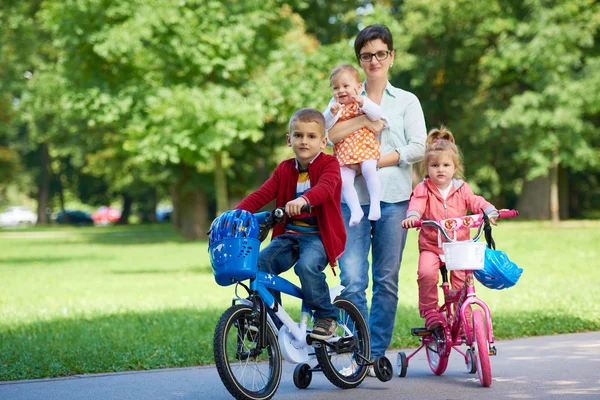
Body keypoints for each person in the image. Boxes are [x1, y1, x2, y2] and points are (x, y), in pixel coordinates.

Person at [327, 24, 427, 372]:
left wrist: (373, 161)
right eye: (367, 55)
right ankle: (358, 349)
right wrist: (364, 125)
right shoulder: (343, 93)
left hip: (394, 199)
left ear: (391, 56)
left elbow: (418, 147)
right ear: (360, 60)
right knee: (353, 279)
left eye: (380, 53)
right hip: (351, 199)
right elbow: (329, 135)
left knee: (386, 280)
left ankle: (375, 352)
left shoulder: (407, 101)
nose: (374, 60)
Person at [236, 108, 346, 340]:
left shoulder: (330, 165)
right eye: (298, 135)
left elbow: (325, 188)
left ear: (323, 141)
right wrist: (234, 215)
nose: (304, 141)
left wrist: (304, 199)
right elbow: (261, 195)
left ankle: (326, 317)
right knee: (261, 262)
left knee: (306, 266)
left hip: (319, 236)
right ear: (289, 140)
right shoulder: (284, 169)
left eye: (311, 136)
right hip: (290, 235)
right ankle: (271, 321)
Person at [401, 126, 498, 330]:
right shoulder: (423, 189)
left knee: (463, 280)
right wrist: (413, 216)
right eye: (435, 165)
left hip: (459, 246)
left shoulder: (462, 188)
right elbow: (416, 204)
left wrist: (488, 209)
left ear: (455, 167)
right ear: (427, 168)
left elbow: (475, 201)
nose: (440, 169)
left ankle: (465, 316)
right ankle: (431, 312)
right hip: (431, 246)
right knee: (426, 273)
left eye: (446, 165)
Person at [324, 64, 385, 227]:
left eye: (345, 86)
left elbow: (377, 114)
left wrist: (363, 103)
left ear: (358, 87)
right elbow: (325, 126)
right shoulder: (334, 105)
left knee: (369, 170)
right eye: (336, 88)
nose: (341, 91)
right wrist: (331, 113)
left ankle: (375, 204)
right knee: (343, 180)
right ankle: (356, 209)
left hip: (365, 147)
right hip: (344, 151)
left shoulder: (363, 101)